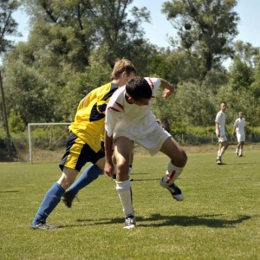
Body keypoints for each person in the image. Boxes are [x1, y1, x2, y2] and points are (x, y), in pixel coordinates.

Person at [31, 59, 137, 229]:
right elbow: (104, 113)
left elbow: (83, 106)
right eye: (131, 80)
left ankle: (72, 192)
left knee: (106, 166)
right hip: (82, 138)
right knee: (66, 179)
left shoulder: (99, 90)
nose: (132, 84)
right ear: (124, 75)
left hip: (93, 140)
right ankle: (38, 221)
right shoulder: (114, 93)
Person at [104, 76, 187, 229]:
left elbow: (161, 81)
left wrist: (171, 88)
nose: (147, 103)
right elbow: (108, 133)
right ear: (130, 98)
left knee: (181, 157)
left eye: (149, 99)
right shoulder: (114, 105)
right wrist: (108, 162)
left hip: (149, 126)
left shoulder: (149, 84)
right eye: (143, 101)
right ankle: (129, 215)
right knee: (122, 167)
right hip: (125, 130)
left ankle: (168, 182)